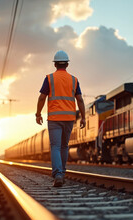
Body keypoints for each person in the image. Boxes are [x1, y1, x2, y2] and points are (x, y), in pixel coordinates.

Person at [35, 50, 86, 187]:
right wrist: (83, 118)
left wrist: (38, 114)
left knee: (55, 147)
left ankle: (58, 174)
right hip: (69, 118)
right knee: (64, 146)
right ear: (67, 64)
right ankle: (62, 173)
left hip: (54, 118)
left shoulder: (49, 78)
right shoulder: (74, 80)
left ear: (55, 64)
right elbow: (80, 100)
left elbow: (42, 97)